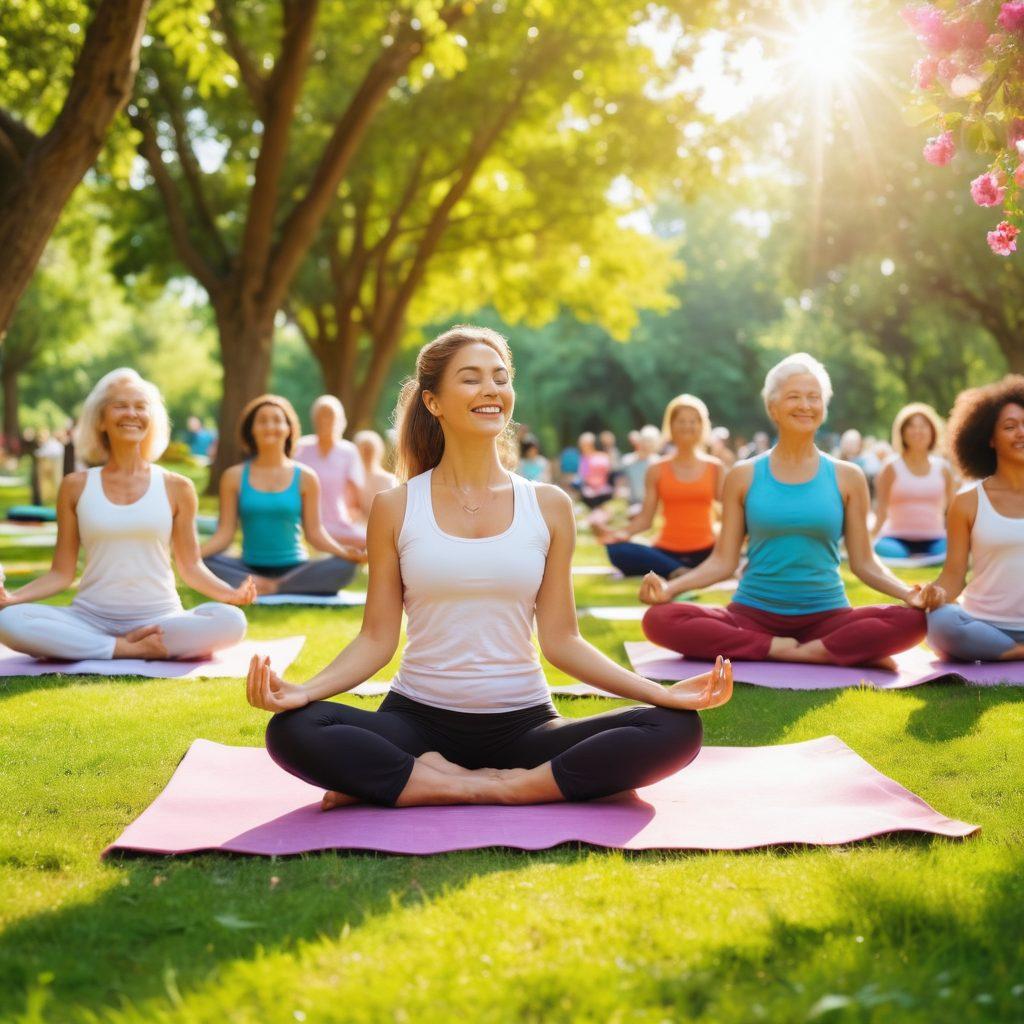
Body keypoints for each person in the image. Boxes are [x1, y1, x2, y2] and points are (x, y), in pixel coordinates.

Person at [245, 325, 732, 809]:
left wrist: (659, 694)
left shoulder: (549, 504)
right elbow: (376, 640)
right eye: (472, 378)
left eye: (500, 377)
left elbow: (563, 641)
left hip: (523, 724)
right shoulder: (394, 507)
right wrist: (303, 692)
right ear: (433, 402)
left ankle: (449, 784)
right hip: (415, 721)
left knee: (676, 728)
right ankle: (481, 784)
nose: (491, 390)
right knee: (293, 728)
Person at [639, 353, 928, 669]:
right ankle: (790, 649)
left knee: (914, 621)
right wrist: (670, 588)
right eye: (794, 397)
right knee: (659, 619)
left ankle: (811, 648)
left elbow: (864, 562)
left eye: (813, 397)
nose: (805, 405)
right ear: (772, 408)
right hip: (752, 614)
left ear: (823, 407)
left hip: (828, 615)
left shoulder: (848, 476)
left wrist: (907, 593)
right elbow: (723, 562)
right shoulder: (743, 474)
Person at [0, 369, 251, 661]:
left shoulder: (177, 486)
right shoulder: (74, 486)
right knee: (10, 621)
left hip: (161, 619)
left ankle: (104, 647)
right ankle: (125, 648)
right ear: (101, 421)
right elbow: (61, 573)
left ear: (151, 419)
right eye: (120, 405)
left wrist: (229, 595)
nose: (131, 413)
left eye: (140, 406)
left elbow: (191, 566)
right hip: (90, 618)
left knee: (232, 621)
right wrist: (14, 599)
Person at [202, 395, 365, 597]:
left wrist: (344, 553)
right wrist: (193, 556)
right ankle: (265, 584)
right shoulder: (233, 477)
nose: (270, 426)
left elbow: (315, 534)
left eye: (277, 420)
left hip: (295, 569)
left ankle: (274, 586)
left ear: (289, 428)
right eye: (262, 421)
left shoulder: (306, 477)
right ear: (251, 430)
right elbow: (225, 534)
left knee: (344, 566)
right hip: (247, 567)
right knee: (206, 562)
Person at [921, 378, 1024, 661]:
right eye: (1010, 426)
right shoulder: (967, 502)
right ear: (989, 439)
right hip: (983, 623)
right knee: (940, 623)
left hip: (991, 638)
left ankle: (1002, 653)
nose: (1021, 433)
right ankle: (1016, 653)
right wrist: (935, 594)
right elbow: (954, 576)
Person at [596, 395, 723, 578]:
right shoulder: (656, 469)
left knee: (730, 554)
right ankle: (680, 571)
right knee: (616, 550)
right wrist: (620, 534)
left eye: (693, 421)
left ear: (702, 426)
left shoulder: (715, 467)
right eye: (681, 421)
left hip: (706, 550)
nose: (687, 426)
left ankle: (676, 571)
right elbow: (645, 519)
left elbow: (729, 514)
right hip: (666, 550)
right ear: (670, 426)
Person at [872, 403, 956, 561]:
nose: (918, 431)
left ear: (932, 432)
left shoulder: (943, 468)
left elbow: (953, 510)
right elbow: (881, 509)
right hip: (895, 539)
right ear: (902, 433)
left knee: (946, 551)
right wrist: (870, 538)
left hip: (935, 539)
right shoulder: (890, 466)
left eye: (923, 426)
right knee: (888, 551)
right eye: (911, 426)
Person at [293, 395, 368, 548]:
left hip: (338, 523)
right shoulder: (300, 447)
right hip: (304, 523)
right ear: (314, 419)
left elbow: (356, 495)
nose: (325, 421)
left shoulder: (349, 451)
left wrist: (352, 515)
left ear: (340, 420)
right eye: (320, 416)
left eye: (330, 416)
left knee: (371, 541)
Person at [353, 429, 398, 507]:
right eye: (364, 449)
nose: (367, 453)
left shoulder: (389, 480)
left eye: (370, 450)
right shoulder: (351, 479)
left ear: (379, 451)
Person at [577, 432, 614, 509]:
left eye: (584, 445)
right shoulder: (584, 459)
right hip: (590, 491)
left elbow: (609, 473)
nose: (582, 448)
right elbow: (584, 477)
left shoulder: (602, 456)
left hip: (604, 490)